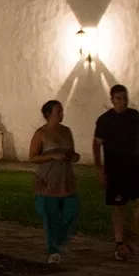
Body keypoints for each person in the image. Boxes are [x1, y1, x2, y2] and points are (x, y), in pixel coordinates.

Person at [93, 84, 139, 261]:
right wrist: (100, 169)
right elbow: (96, 145)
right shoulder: (105, 120)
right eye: (118, 98)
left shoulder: (133, 116)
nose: (123, 102)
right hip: (116, 168)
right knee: (119, 206)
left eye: (125, 98)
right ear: (112, 100)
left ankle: (133, 236)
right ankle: (120, 243)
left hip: (135, 167)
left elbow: (138, 138)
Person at [30, 100, 81, 265]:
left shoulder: (66, 131)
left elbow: (72, 152)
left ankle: (60, 239)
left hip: (66, 179)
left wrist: (74, 157)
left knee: (71, 212)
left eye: (61, 111)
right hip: (48, 179)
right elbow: (33, 157)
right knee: (51, 216)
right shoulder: (41, 133)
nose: (61, 114)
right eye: (58, 112)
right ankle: (53, 250)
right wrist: (52, 156)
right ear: (48, 114)